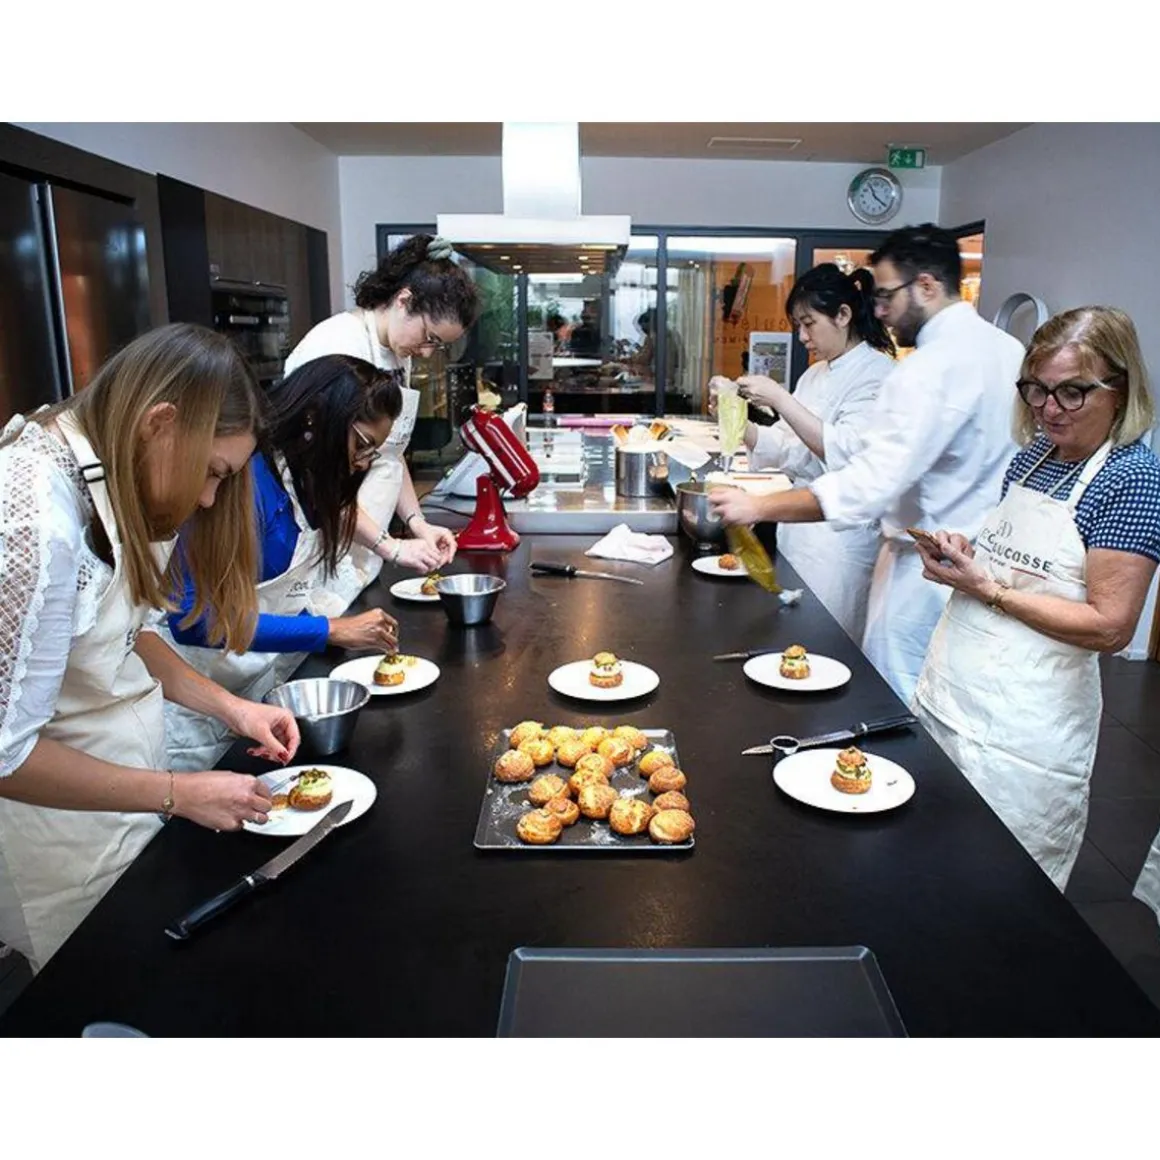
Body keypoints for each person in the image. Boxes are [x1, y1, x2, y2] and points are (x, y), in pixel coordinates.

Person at [0, 324, 300, 970]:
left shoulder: (110, 471)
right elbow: (6, 756)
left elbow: (127, 632)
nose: (208, 498)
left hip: (128, 806)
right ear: (159, 423)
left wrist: (233, 708)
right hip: (61, 836)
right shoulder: (32, 518)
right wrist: (178, 792)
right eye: (212, 473)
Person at [710, 224, 1026, 703]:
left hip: (925, 566)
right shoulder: (1006, 349)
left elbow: (868, 479)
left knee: (893, 696)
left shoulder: (926, 368)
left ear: (926, 286)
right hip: (980, 566)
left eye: (885, 296)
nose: (877, 311)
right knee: (953, 699)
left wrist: (759, 507)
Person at [911, 307, 1160, 891]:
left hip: (1024, 733)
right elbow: (1025, 567)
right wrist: (966, 555)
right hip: (951, 697)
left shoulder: (1131, 478)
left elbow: (1110, 626)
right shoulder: (1033, 459)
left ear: (1120, 389)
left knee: (1001, 888)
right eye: (1037, 389)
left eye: (1072, 392)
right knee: (930, 868)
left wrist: (988, 588)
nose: (1049, 409)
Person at [160, 355, 404, 771]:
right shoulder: (242, 483)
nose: (362, 462)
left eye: (372, 452)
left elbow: (275, 598)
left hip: (254, 692)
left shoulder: (304, 481)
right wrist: (328, 630)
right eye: (361, 443)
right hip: (195, 705)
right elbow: (192, 619)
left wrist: (329, 628)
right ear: (316, 417)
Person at [283, 234, 480, 607]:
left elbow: (390, 450)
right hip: (323, 546)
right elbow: (319, 480)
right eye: (429, 337)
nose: (426, 353)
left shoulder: (397, 352)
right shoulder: (337, 348)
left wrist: (417, 523)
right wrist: (390, 547)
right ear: (404, 300)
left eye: (438, 346)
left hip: (364, 549)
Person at [708, 264, 895, 641]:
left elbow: (845, 453)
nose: (802, 336)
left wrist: (780, 398)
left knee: (827, 641)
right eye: (798, 325)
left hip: (840, 541)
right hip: (798, 534)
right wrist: (735, 420)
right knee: (791, 635)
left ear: (843, 315)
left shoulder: (879, 374)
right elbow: (787, 447)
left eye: (809, 324)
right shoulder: (815, 374)